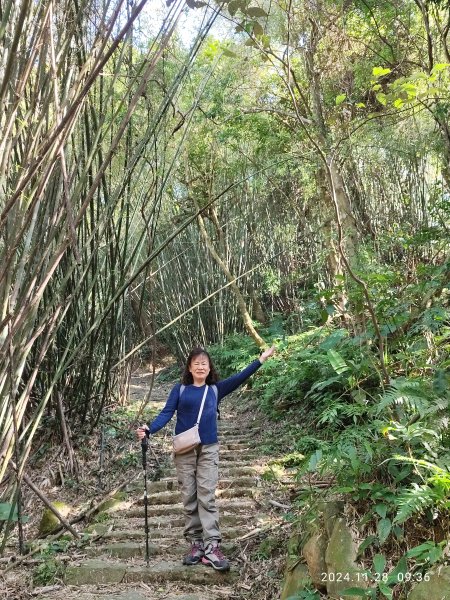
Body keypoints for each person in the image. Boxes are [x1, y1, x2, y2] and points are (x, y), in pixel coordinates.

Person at [136, 345, 275, 571]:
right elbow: (166, 413)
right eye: (196, 364)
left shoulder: (215, 390)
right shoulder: (180, 390)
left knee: (206, 495)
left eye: (204, 364)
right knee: (189, 495)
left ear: (209, 368)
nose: (200, 367)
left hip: (209, 448)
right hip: (184, 450)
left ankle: (212, 546)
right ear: (190, 368)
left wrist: (261, 360)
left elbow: (240, 378)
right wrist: (150, 429)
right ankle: (195, 543)